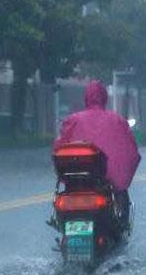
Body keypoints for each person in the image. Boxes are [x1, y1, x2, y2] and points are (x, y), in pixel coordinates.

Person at [54, 80, 141, 226]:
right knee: (121, 199)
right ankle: (121, 224)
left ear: (86, 98)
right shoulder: (117, 120)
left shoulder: (73, 120)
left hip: (76, 180)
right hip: (106, 182)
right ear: (104, 98)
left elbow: (58, 147)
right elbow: (130, 150)